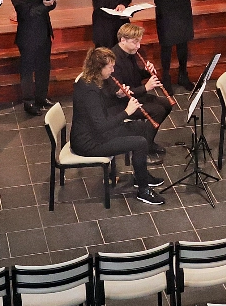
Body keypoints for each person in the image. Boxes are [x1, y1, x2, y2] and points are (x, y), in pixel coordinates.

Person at [70, 48, 165, 205]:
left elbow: (103, 107)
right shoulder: (89, 91)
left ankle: (141, 174)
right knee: (139, 143)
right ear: (99, 67)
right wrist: (126, 112)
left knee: (142, 128)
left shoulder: (93, 80)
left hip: (97, 134)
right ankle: (143, 190)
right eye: (110, 67)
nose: (113, 70)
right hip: (88, 142)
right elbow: (101, 126)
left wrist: (118, 94)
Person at [111, 22, 173, 155]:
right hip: (122, 103)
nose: (138, 46)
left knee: (167, 104)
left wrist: (146, 71)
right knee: (157, 111)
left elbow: (134, 76)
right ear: (123, 40)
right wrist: (146, 87)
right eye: (135, 42)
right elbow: (121, 92)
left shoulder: (130, 52)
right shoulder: (114, 60)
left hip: (135, 96)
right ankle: (144, 147)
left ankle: (147, 140)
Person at [11, 0, 57, 117]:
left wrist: (51, 3)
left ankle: (41, 97)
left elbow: (51, 1)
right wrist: (44, 6)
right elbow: (25, 14)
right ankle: (28, 101)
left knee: (44, 66)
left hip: (44, 31)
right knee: (28, 69)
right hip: (28, 35)